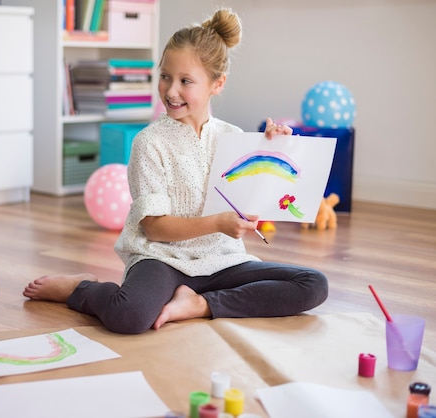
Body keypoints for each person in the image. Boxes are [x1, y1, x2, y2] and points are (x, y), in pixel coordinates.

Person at [23, 8, 328, 334]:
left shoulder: (235, 139)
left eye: (185, 81)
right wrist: (218, 223)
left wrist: (274, 148)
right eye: (165, 76)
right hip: (162, 259)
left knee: (314, 284)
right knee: (129, 316)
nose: (170, 91)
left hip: (222, 259)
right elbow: (154, 229)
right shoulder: (149, 142)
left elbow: (261, 201)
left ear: (217, 83)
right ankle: (81, 288)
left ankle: (202, 304)